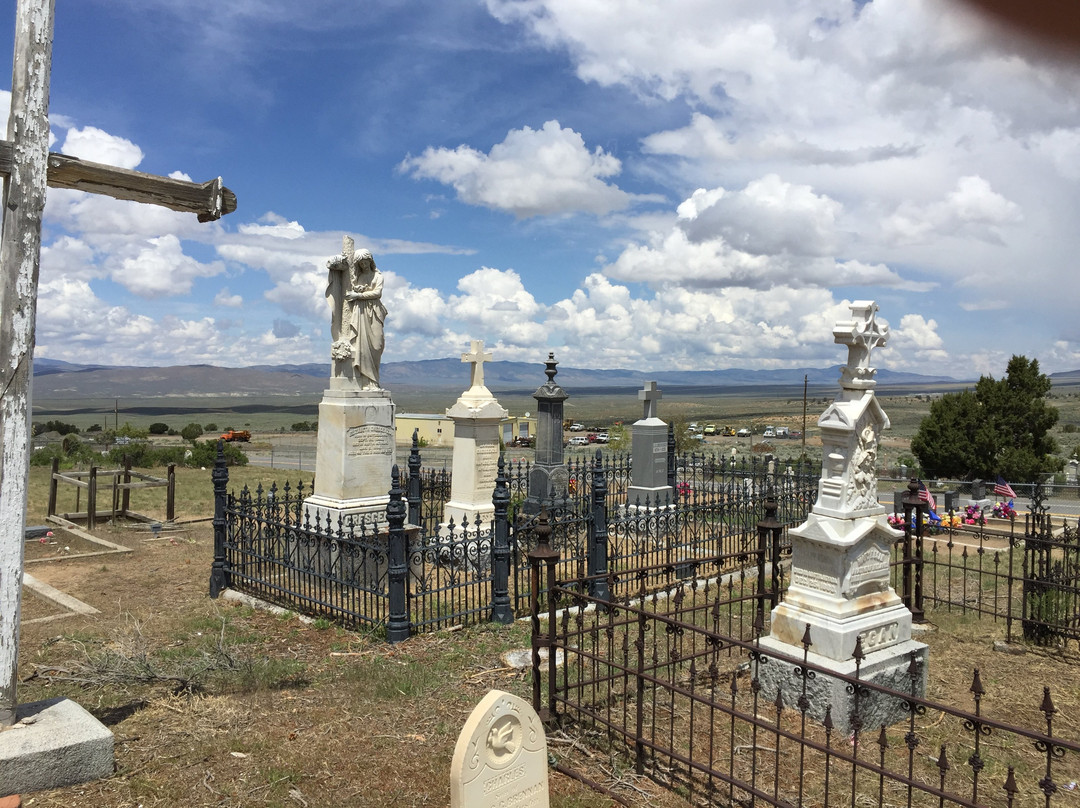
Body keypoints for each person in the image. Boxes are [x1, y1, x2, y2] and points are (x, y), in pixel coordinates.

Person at [327, 240, 387, 390]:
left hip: (374, 313)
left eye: (365, 262)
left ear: (370, 261)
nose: (364, 265)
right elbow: (348, 284)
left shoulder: (378, 276)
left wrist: (358, 295)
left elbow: (377, 293)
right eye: (360, 263)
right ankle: (367, 382)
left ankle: (373, 380)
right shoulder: (358, 277)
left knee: (376, 345)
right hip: (359, 312)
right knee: (361, 345)